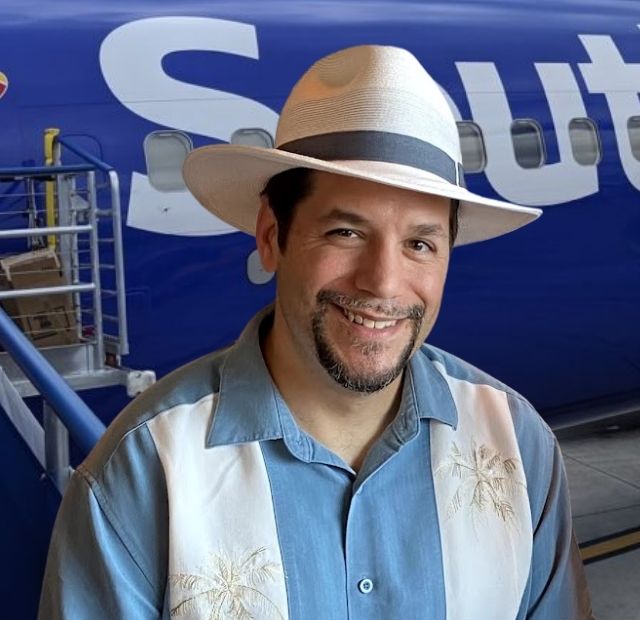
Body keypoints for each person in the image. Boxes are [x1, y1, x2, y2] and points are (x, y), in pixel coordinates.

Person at [41, 45, 592, 619]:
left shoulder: (517, 444)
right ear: (271, 237)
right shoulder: (144, 469)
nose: (383, 283)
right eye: (346, 233)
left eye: (420, 244)